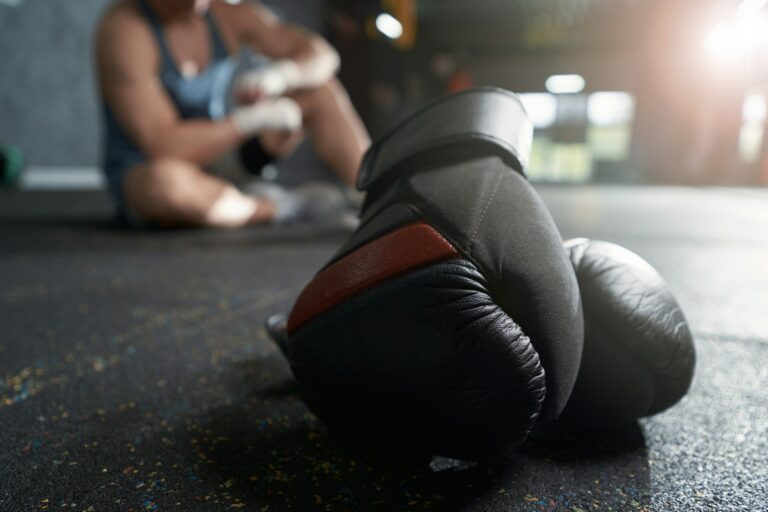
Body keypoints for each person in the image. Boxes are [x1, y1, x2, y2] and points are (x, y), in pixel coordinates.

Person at [95, 0, 370, 228]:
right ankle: (276, 206)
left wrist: (281, 76)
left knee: (319, 91)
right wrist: (249, 120)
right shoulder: (125, 30)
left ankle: (376, 199)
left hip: (219, 157)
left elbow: (323, 55)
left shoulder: (222, 14)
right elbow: (163, 145)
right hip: (157, 172)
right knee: (164, 185)